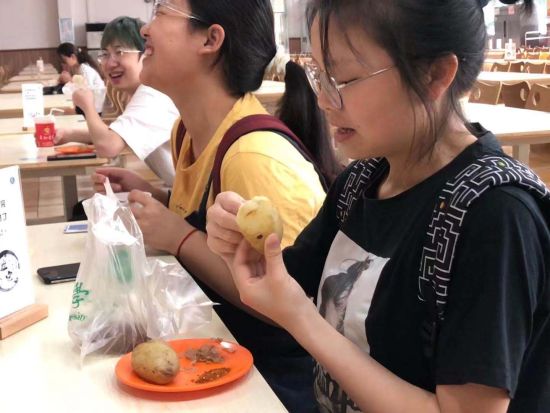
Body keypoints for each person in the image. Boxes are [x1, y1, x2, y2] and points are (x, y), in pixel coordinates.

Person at [206, 0, 550, 412]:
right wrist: (243, 248)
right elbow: (288, 285)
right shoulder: (361, 182)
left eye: (344, 78)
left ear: (435, 74)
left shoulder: (496, 215)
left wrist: (302, 318)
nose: (324, 100)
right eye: (320, 75)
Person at [91, 1, 340, 411]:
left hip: (275, 386)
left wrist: (178, 236)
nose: (146, 30)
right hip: (217, 361)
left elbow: (297, 310)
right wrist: (158, 199)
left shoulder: (253, 157)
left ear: (210, 39)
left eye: (161, 12)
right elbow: (215, 230)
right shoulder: (186, 132)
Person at [56, 17, 179, 185]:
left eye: (119, 52)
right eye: (105, 54)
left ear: (147, 53)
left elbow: (108, 146)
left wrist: (87, 107)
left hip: (197, 198)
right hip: (180, 193)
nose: (110, 63)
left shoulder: (152, 95)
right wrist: (68, 135)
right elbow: (115, 134)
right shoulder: (139, 92)